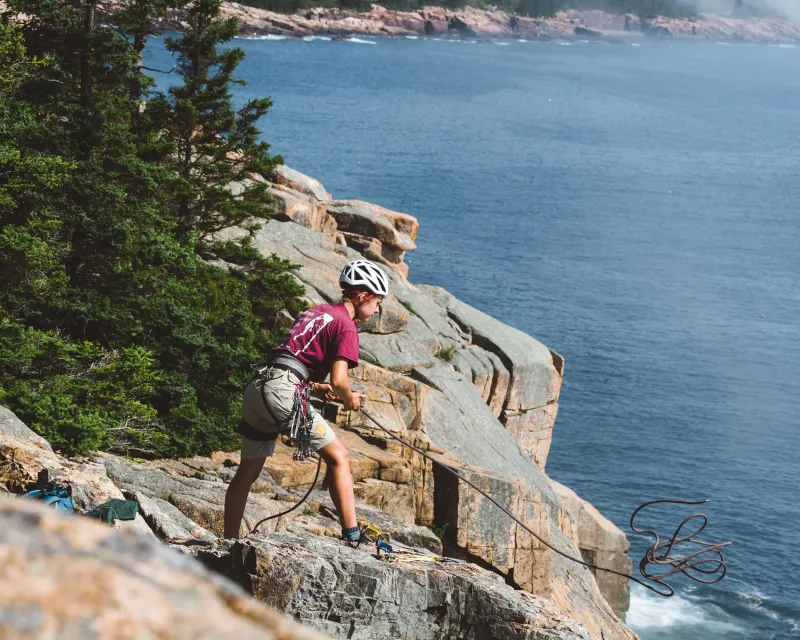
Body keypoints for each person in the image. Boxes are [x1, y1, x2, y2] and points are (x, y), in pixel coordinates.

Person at [223, 259, 389, 542]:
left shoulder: (317, 312)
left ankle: (228, 541)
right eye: (377, 302)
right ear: (363, 295)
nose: (377, 310)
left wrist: (314, 386)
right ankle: (352, 535)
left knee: (247, 472)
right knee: (339, 458)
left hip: (258, 388)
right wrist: (349, 400)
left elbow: (289, 360)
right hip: (283, 392)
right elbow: (340, 381)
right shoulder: (347, 327)